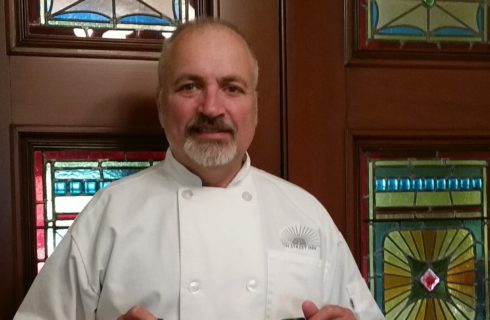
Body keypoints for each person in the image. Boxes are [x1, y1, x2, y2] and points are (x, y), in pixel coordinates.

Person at [14, 19, 384, 320]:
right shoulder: (109, 216)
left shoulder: (308, 215)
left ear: (255, 107)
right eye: (190, 86)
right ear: (162, 104)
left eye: (231, 88)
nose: (211, 107)